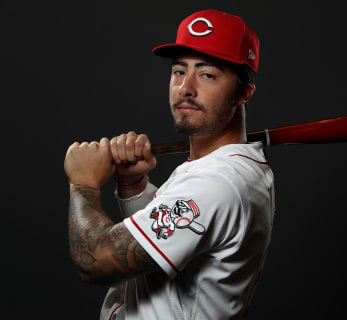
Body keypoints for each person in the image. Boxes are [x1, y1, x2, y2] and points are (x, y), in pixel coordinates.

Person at [64, 9, 275, 319]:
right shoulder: (219, 170)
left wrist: (83, 183)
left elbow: (95, 262)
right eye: (179, 71)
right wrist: (133, 186)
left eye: (207, 74)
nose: (185, 88)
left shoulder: (218, 183)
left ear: (244, 92)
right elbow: (169, 248)